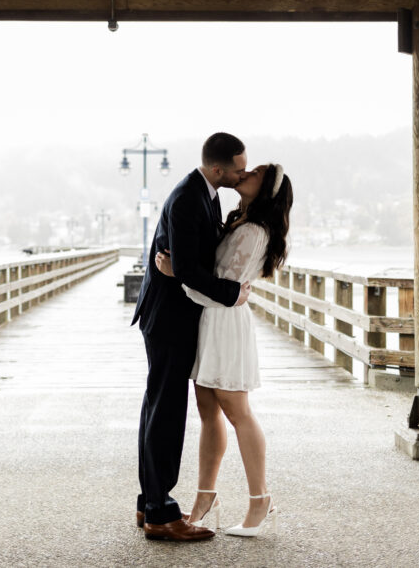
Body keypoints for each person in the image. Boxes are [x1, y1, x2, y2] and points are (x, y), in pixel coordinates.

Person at [155, 162, 294, 538]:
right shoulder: (239, 220)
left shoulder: (253, 231)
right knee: (207, 411)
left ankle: (260, 501)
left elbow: (222, 289)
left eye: (256, 173)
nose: (246, 173)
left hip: (225, 321)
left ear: (265, 190)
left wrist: (175, 274)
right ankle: (206, 497)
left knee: (237, 410)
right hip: (210, 320)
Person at [131, 132, 252, 542]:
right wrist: (234, 294)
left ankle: (150, 501)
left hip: (171, 315)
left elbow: (187, 263)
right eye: (238, 169)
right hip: (168, 319)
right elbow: (189, 270)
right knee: (165, 411)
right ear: (218, 169)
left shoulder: (206, 193)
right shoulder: (187, 197)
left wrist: (180, 270)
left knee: (158, 406)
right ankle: (161, 514)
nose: (242, 174)